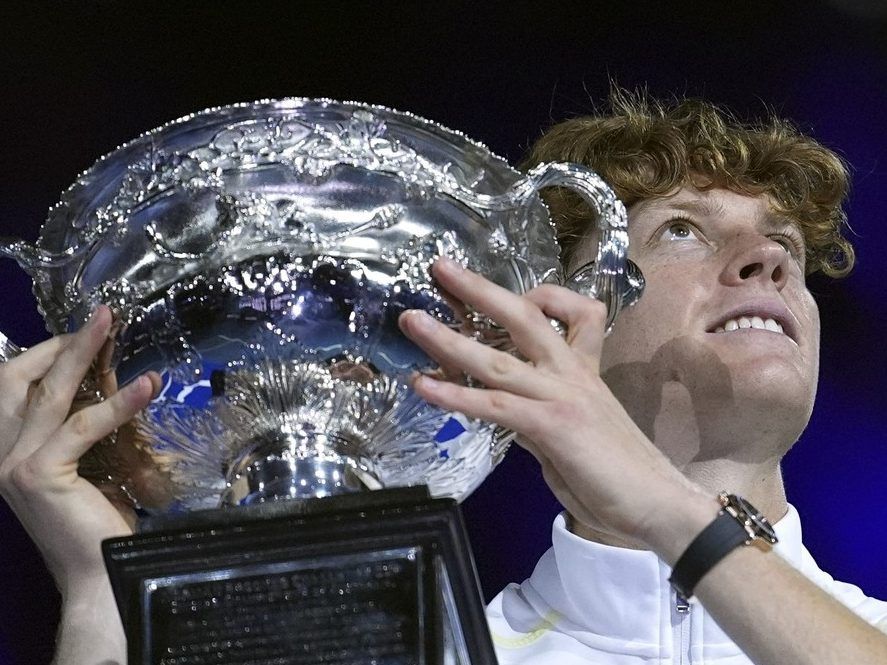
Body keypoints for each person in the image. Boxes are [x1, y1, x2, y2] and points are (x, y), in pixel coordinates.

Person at [1, 90, 886, 664]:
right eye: (684, 231)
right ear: (544, 322)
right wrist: (97, 588)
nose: (764, 261)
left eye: (786, 249)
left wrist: (667, 509)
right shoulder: (447, 653)